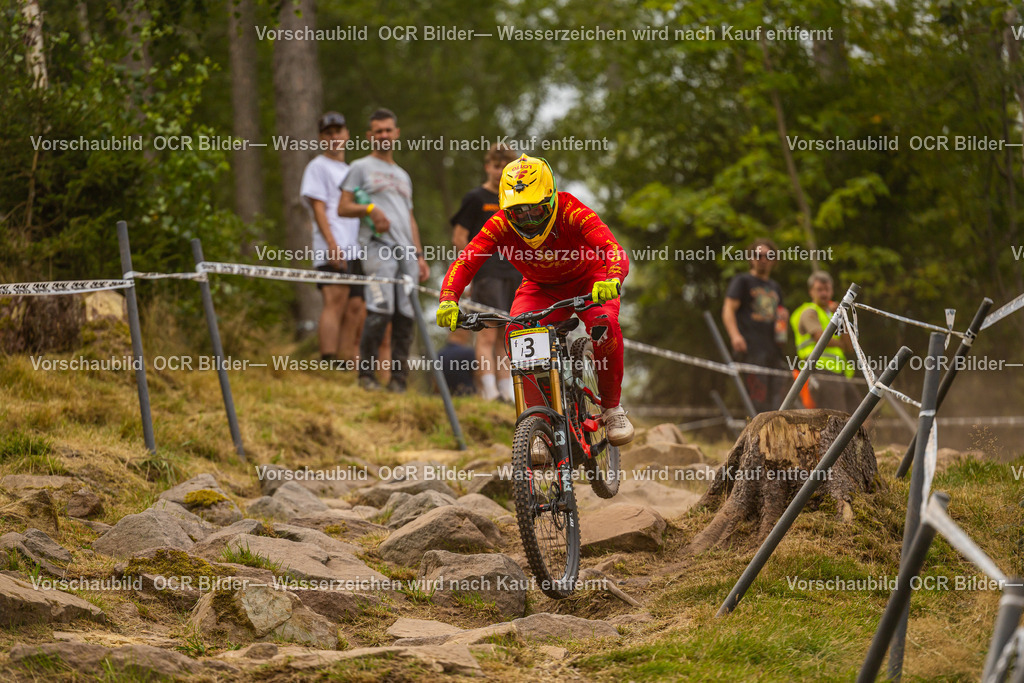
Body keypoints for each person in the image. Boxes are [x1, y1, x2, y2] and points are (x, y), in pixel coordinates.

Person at [436, 154, 634, 448]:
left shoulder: (572, 210)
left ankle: (612, 408)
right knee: (519, 335)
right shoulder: (500, 223)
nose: (528, 221)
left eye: (535, 211)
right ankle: (539, 423)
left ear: (551, 199)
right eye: (519, 213)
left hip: (590, 280)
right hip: (541, 286)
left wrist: (613, 278)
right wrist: (448, 299)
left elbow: (610, 247)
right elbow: (466, 261)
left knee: (604, 325)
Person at [337, 108, 429, 392]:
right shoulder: (360, 167)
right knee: (380, 310)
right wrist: (370, 208)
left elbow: (409, 217)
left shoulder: (403, 175)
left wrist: (420, 254)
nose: (384, 135)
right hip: (377, 247)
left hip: (406, 253)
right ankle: (366, 376)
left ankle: (398, 381)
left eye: (388, 130)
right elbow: (342, 207)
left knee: (406, 314)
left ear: (396, 133)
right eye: (378, 131)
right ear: (370, 136)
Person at [450, 145, 520, 402]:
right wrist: (471, 268)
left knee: (507, 333)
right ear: (487, 166)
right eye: (495, 164)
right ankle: (488, 392)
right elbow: (459, 237)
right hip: (486, 273)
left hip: (514, 272)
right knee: (487, 331)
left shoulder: (513, 200)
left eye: (505, 166)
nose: (499, 171)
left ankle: (507, 391)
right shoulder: (475, 198)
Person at [299, 111, 365, 363]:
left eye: (338, 131)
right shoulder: (317, 166)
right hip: (331, 245)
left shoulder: (350, 170)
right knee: (335, 300)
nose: (335, 137)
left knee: (356, 306)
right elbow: (318, 208)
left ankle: (347, 360)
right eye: (329, 133)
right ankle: (327, 359)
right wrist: (331, 243)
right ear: (321, 138)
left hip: (355, 248)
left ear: (347, 135)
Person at [721, 238, 789, 413]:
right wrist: (735, 336)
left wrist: (783, 323)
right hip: (751, 349)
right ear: (751, 258)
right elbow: (728, 309)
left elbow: (779, 319)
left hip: (773, 351)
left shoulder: (776, 287)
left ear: (774, 260)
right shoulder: (742, 281)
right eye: (758, 255)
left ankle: (773, 439)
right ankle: (754, 438)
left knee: (777, 402)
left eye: (768, 256)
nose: (763, 259)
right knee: (756, 401)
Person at [790, 271, 858, 412]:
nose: (824, 294)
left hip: (840, 373)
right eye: (819, 290)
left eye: (827, 289)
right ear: (811, 292)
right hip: (819, 370)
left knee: (862, 413)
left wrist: (841, 317)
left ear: (832, 290)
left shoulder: (833, 313)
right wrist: (841, 344)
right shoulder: (808, 311)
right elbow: (822, 340)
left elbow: (850, 348)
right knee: (838, 416)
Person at [436, 329, 477, 397]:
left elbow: (436, 382)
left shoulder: (439, 354)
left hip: (445, 397)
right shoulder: (468, 353)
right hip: (467, 396)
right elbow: (477, 375)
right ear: (465, 332)